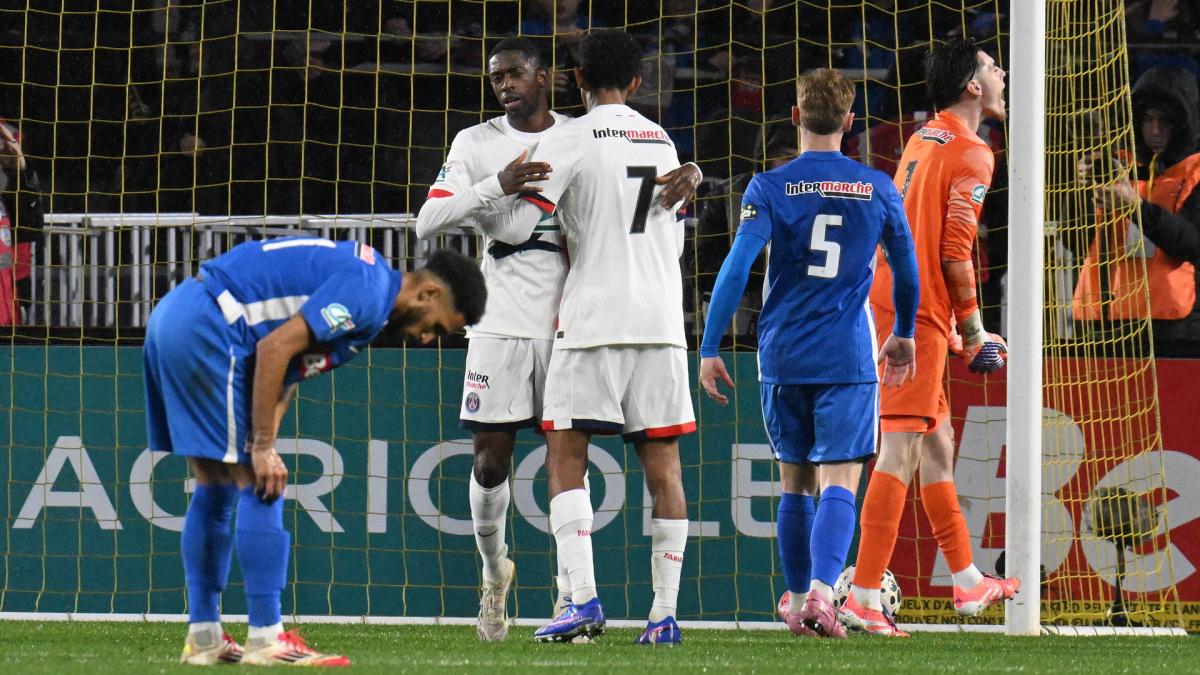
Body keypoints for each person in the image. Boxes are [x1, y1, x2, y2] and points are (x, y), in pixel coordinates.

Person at [414, 36, 700, 641]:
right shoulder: (477, 142)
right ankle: (500, 575)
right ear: (637, 83)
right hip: (520, 321)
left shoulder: (573, 135)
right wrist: (496, 183)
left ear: (560, 78)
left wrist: (511, 199)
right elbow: (428, 221)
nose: (505, 85)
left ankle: (577, 597)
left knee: (567, 453)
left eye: (515, 73)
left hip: (578, 319)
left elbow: (522, 225)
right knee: (493, 459)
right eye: (497, 77)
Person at [146, 239, 485, 665]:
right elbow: (273, 349)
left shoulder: (370, 291)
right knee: (262, 484)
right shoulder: (367, 293)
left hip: (178, 315)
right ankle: (267, 636)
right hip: (212, 326)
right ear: (428, 293)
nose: (426, 340)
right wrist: (262, 448)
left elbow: (284, 370)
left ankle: (204, 637)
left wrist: (264, 443)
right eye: (436, 328)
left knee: (215, 482)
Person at [698, 68, 919, 639]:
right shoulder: (878, 186)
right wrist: (904, 333)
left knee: (794, 482)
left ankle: (796, 603)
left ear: (795, 117)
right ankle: (824, 595)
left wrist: (710, 344)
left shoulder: (768, 186)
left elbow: (736, 267)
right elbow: (907, 270)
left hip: (782, 355)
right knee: (840, 478)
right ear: (850, 122)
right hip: (846, 356)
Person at [841, 37, 1020, 637]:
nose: (1001, 73)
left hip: (900, 301)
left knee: (938, 443)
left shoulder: (925, 136)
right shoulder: (973, 151)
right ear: (972, 85)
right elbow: (954, 252)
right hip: (914, 316)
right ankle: (864, 595)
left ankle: (967, 581)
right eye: (992, 67)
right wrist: (975, 330)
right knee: (898, 449)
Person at [1073, 66, 1200, 357]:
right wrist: (1080, 193)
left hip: (1168, 323)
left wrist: (1136, 208)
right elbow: (1075, 241)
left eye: (1165, 122)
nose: (1154, 130)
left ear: (1182, 124)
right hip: (1102, 316)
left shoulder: (1195, 172)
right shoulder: (1112, 166)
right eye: (1147, 120)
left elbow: (1192, 243)